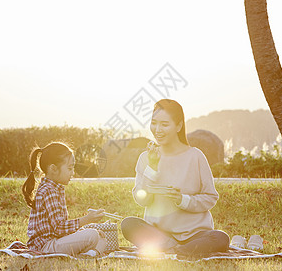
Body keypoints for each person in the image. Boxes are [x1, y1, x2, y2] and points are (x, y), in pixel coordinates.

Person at [121, 99, 229, 258]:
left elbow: (210, 197)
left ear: (178, 126)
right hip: (159, 233)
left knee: (221, 238)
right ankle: (177, 249)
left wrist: (182, 200)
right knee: (129, 224)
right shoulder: (146, 158)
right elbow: (141, 199)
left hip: (194, 235)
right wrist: (152, 167)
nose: (158, 130)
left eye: (164, 124)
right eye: (154, 123)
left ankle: (174, 249)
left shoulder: (196, 156)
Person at [22, 141, 107, 256]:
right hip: (46, 246)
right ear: (53, 169)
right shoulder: (49, 190)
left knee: (100, 236)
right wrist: (87, 219)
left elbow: (61, 229)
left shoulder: (55, 188)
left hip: (55, 242)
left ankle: (90, 254)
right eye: (70, 168)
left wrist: (83, 229)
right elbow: (59, 228)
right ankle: (90, 254)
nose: (72, 173)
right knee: (92, 235)